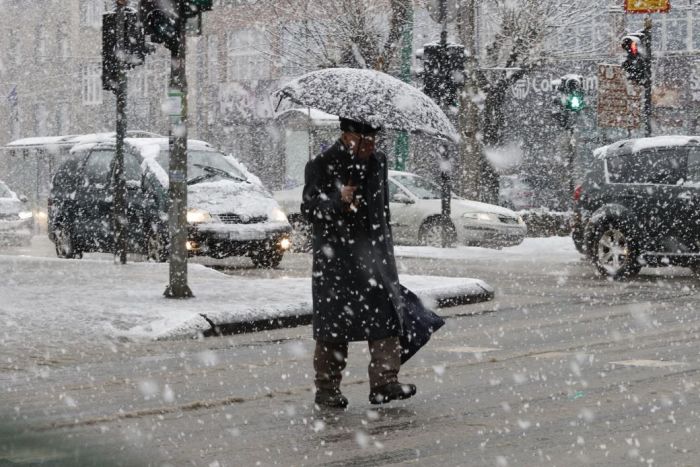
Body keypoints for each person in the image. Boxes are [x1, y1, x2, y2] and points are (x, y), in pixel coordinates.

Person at [301, 117, 417, 408]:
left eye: (374, 139)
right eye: (365, 139)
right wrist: (336, 200)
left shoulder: (377, 162)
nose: (370, 145)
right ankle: (327, 388)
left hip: (373, 257)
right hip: (336, 259)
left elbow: (382, 211)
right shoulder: (321, 163)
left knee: (386, 321)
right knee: (333, 328)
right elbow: (309, 208)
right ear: (347, 135)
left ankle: (384, 383)